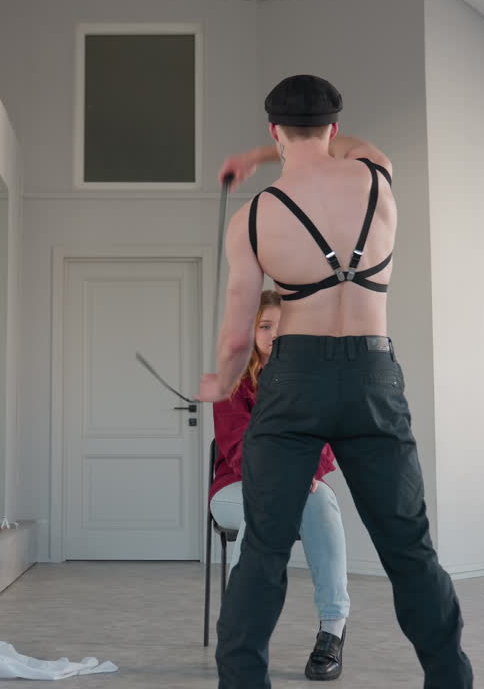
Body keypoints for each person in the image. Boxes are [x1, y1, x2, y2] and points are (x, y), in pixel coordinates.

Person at [197, 75, 473, 689]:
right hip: (374, 374)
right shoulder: (377, 178)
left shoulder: (255, 216)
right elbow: (350, 147)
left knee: (265, 549)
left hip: (295, 377)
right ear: (334, 127)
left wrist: (219, 384)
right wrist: (267, 153)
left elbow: (239, 337)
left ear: (275, 129)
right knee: (409, 548)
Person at [210, 289, 351, 681]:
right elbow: (239, 448)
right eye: (265, 326)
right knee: (263, 507)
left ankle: (332, 629)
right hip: (235, 488)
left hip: (298, 486)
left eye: (282, 327)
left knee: (322, 501)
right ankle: (242, 633)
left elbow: (325, 443)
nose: (274, 335)